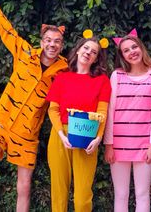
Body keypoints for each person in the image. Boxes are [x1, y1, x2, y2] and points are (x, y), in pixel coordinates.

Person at [0, 0, 67, 212]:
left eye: (57, 41)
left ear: (61, 45)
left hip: (28, 133)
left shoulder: (63, 70)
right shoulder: (24, 53)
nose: (52, 44)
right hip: (4, 120)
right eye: (48, 40)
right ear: (42, 42)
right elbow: (5, 29)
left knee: (24, 186)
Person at [46, 30, 111, 212]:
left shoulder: (102, 81)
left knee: (82, 197)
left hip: (88, 137)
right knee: (59, 192)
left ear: (96, 59)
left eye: (94, 52)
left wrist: (98, 138)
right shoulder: (61, 78)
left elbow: (102, 112)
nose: (88, 52)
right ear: (78, 50)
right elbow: (53, 109)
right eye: (86, 47)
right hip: (60, 136)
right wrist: (60, 133)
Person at [103, 29, 151, 212]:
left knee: (142, 193)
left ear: (141, 48)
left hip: (144, 145)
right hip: (118, 145)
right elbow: (110, 111)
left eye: (134, 47)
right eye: (126, 50)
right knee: (120, 194)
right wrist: (109, 144)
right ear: (122, 56)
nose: (132, 52)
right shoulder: (116, 76)